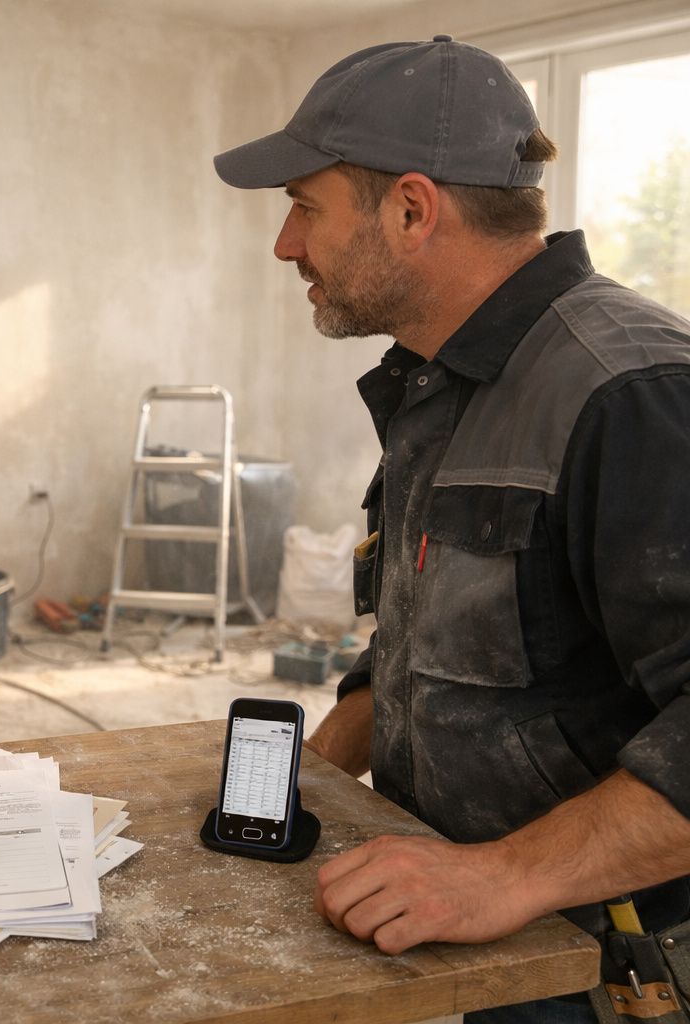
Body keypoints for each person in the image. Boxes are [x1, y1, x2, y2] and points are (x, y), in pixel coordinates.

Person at [215, 36, 690, 1022]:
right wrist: (306, 773)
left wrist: (499, 877)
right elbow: (434, 634)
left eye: (305, 207)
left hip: (610, 961)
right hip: (470, 928)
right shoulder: (439, 379)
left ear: (414, 209)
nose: (285, 245)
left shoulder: (633, 393)